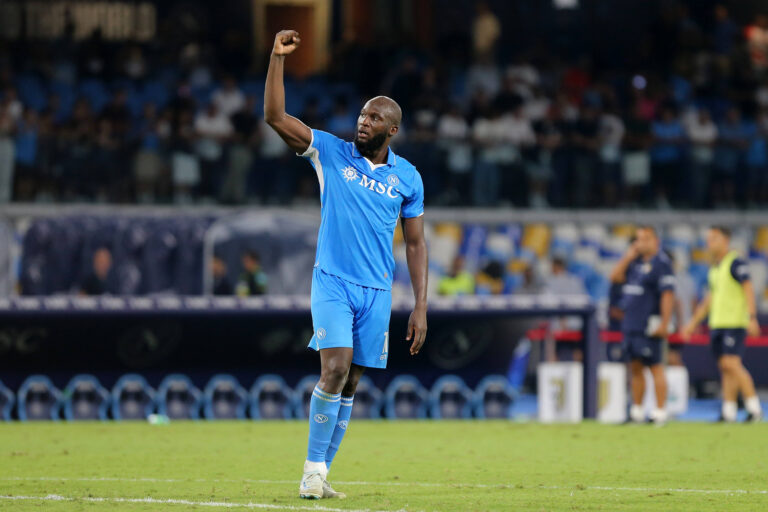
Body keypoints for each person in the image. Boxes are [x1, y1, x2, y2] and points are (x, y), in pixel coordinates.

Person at [264, 30, 428, 499]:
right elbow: (275, 116)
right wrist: (276, 58)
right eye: (361, 113)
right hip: (332, 280)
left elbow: (415, 245)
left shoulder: (408, 177)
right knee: (333, 370)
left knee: (352, 382)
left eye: (374, 117)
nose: (363, 121)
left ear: (391, 129)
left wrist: (420, 305)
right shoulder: (331, 153)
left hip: (376, 291)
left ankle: (321, 473)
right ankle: (312, 472)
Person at [681, 227, 763, 423]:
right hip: (718, 323)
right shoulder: (716, 267)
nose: (710, 243)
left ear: (725, 240)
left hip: (734, 322)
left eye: (714, 239)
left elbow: (748, 288)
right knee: (725, 367)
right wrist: (692, 323)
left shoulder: (735, 262)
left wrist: (751, 317)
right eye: (708, 239)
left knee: (731, 364)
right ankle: (729, 410)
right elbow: (710, 299)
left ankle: (754, 408)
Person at [610, 226, 675, 424]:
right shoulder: (634, 262)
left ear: (655, 240)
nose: (641, 243)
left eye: (645, 238)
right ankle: (636, 411)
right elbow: (614, 277)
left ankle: (660, 412)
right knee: (635, 367)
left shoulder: (662, 264)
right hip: (631, 323)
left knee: (655, 367)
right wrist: (628, 256)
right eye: (638, 239)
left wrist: (665, 322)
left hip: (649, 324)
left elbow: (667, 294)